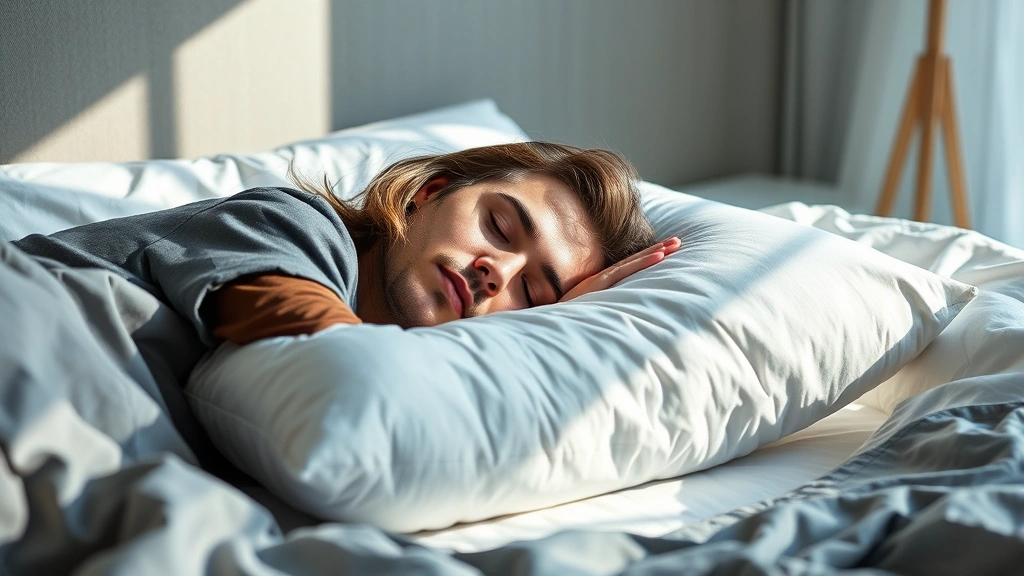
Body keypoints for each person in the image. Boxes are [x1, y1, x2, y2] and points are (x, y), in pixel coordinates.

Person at [12, 141, 678, 463]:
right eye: (500, 228)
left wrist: (561, 322)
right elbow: (330, 358)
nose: (492, 272)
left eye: (532, 290)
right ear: (429, 191)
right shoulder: (291, 225)